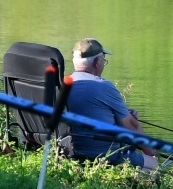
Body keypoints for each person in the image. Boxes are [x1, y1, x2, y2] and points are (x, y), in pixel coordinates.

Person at [63, 39, 157, 169]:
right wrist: (150, 153)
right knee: (153, 164)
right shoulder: (103, 86)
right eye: (103, 59)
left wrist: (122, 113)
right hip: (106, 156)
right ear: (97, 62)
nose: (104, 63)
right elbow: (132, 127)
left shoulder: (63, 84)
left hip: (72, 153)